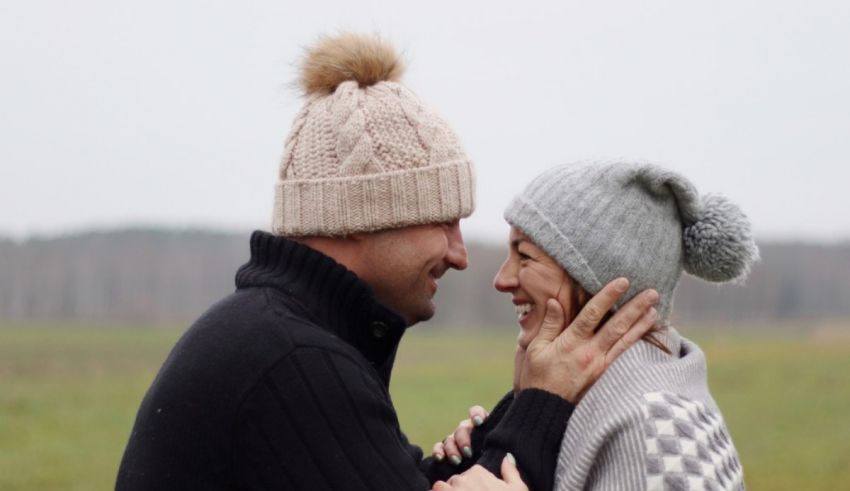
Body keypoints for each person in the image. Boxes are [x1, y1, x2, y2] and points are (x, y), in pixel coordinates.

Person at [115, 34, 659, 491]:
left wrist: (507, 418)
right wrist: (545, 400)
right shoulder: (296, 362)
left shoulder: (280, 336)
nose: (460, 254)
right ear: (360, 216)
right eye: (443, 221)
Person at [432, 163, 757, 491]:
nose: (502, 279)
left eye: (525, 256)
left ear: (600, 282)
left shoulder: (657, 430)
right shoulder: (590, 396)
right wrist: (501, 427)